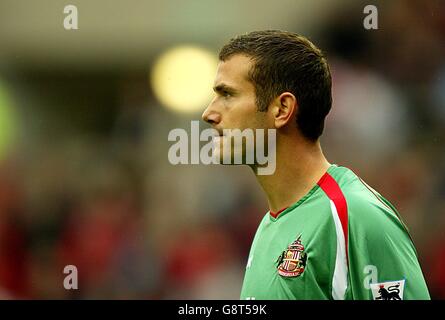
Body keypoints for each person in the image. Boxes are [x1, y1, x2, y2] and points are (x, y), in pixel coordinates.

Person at [201, 30, 430, 300]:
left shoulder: (355, 215)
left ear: (282, 109)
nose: (209, 114)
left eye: (227, 94)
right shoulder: (269, 225)